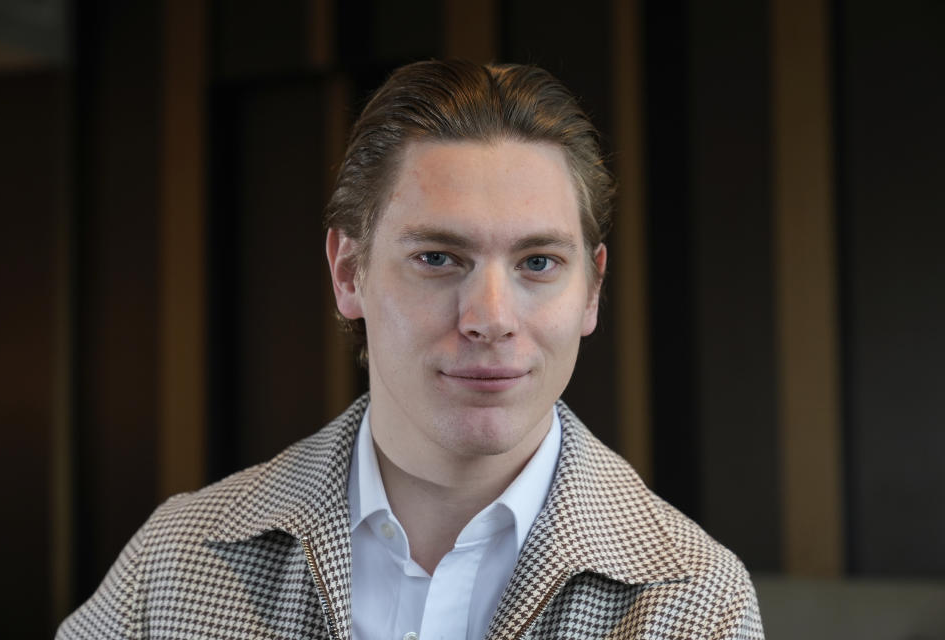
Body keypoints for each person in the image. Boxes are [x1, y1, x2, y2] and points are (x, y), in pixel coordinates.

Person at [58, 60, 764, 639]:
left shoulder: (694, 603)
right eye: (437, 257)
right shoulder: (177, 563)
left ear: (591, 292)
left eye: (539, 262)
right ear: (348, 274)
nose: (490, 318)